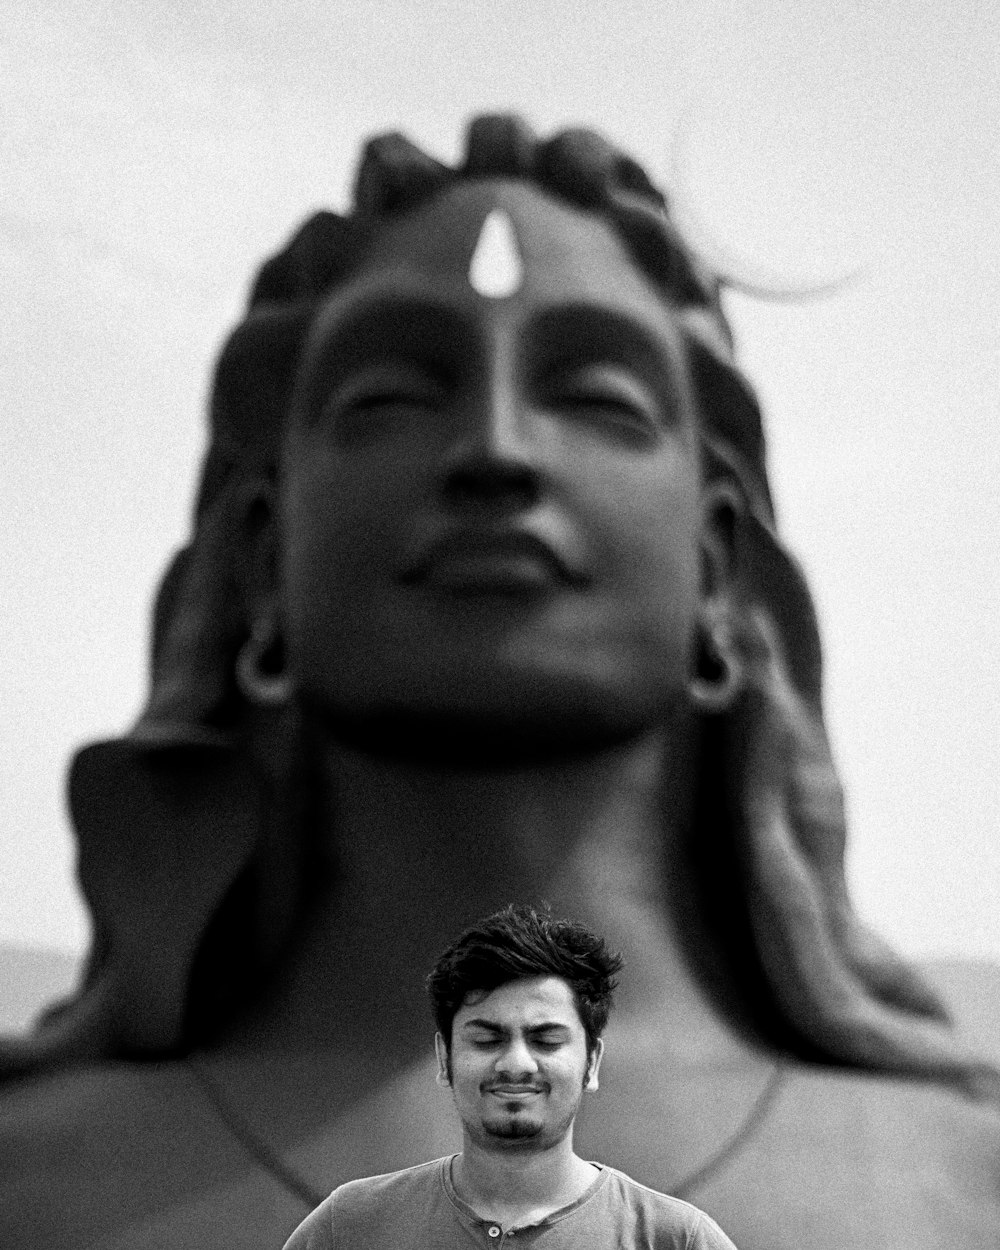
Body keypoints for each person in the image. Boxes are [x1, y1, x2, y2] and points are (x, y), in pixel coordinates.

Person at [0, 113, 998, 1249]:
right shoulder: (26, 1176)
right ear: (262, 556)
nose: (495, 447)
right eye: (389, 397)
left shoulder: (968, 1185)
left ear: (716, 566)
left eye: (599, 398)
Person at [283, 904, 738, 1249]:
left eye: (545, 1039)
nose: (516, 1063)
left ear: (591, 1062)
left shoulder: (674, 1239)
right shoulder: (350, 1229)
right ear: (445, 1059)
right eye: (486, 1039)